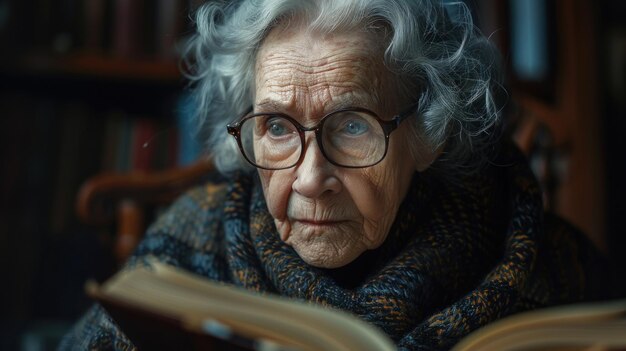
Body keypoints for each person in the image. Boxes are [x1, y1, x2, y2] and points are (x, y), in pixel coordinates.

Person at [59, 0, 604, 350]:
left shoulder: (551, 264)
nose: (308, 178)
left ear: (429, 134)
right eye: (276, 126)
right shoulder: (189, 242)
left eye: (351, 126)